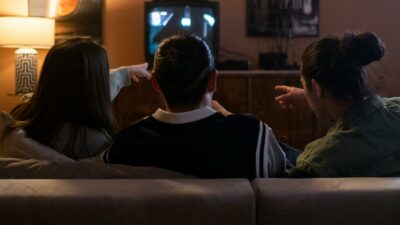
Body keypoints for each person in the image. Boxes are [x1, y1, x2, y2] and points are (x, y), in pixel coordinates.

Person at [104, 34, 286, 179]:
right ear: (213, 80)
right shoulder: (253, 136)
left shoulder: (125, 143)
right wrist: (229, 117)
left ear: (155, 84)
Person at [0, 38, 150, 160]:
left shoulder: (21, 115)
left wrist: (123, 73)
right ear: (96, 86)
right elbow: (90, 95)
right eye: (103, 75)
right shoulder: (92, 142)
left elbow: (76, 90)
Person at [275, 32, 400, 177]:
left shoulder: (318, 161)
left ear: (316, 87)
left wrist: (315, 97)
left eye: (304, 85)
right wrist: (310, 95)